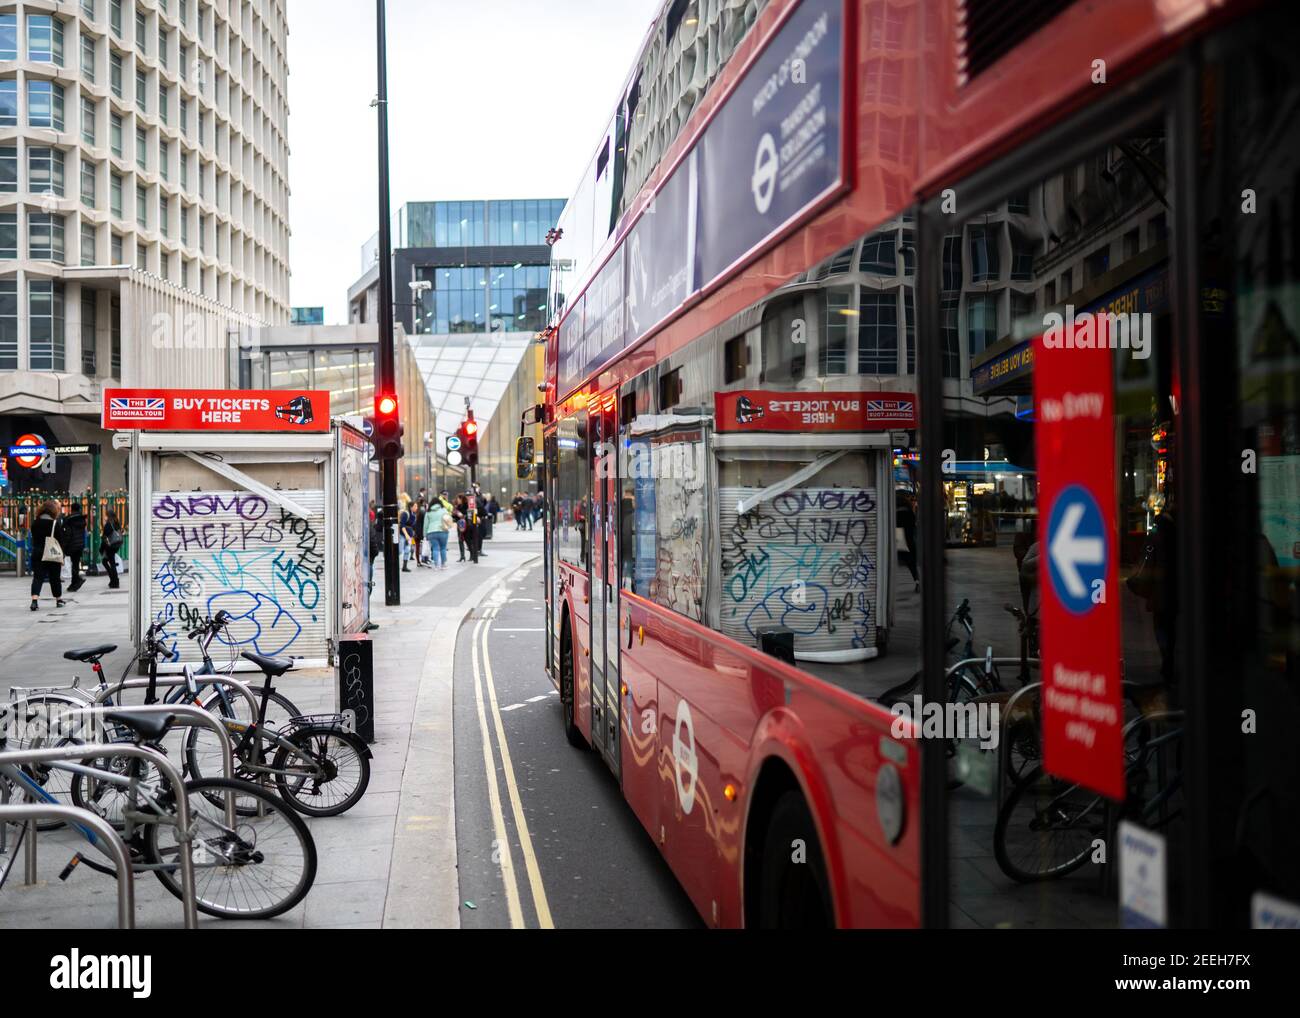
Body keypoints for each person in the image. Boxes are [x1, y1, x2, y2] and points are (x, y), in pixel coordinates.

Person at [29, 500, 66, 611]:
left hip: (38, 552)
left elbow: (34, 538)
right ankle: (58, 600)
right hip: (52, 553)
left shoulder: (35, 523)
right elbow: (60, 540)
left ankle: (34, 601)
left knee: (38, 577)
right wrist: (62, 555)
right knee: (55, 577)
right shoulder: (55, 523)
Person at [63, 503, 88, 593]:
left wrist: (64, 546)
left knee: (74, 564)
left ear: (71, 509)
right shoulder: (82, 519)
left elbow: (67, 534)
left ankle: (76, 581)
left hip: (71, 544)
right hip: (80, 544)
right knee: (76, 564)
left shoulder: (68, 520)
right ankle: (74, 583)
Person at [424, 496, 450, 570]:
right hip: (443, 531)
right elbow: (448, 519)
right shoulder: (444, 510)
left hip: (431, 532)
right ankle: (443, 565)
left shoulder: (428, 512)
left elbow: (426, 524)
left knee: (435, 548)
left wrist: (425, 534)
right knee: (443, 548)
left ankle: (436, 565)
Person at [101, 509, 123, 589]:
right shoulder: (117, 523)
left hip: (110, 546)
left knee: (108, 562)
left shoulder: (109, 524)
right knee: (109, 562)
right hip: (116, 545)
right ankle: (113, 580)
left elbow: (104, 537)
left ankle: (114, 580)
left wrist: (102, 549)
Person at [398, 494, 415, 572]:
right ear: (411, 507)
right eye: (415, 506)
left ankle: (404, 566)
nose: (416, 507)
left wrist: (412, 534)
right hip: (403, 535)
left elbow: (412, 526)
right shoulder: (405, 514)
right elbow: (402, 525)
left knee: (407, 550)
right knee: (400, 550)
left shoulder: (413, 515)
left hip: (409, 535)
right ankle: (394, 563)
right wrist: (406, 535)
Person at [414, 499, 428, 567]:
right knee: (423, 546)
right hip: (421, 531)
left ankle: (418, 561)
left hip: (416, 531)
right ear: (424, 502)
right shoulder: (423, 511)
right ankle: (423, 560)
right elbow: (425, 522)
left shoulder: (417, 511)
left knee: (417, 547)